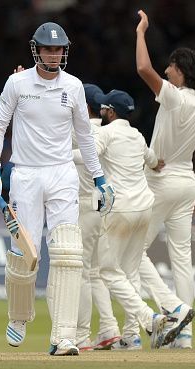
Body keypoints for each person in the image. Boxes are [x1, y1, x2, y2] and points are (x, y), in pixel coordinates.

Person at [0, 22, 115, 356]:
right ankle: (20, 315)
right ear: (36, 50)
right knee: (25, 251)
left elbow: (84, 135)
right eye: (47, 49)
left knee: (68, 253)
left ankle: (63, 335)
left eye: (58, 49)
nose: (53, 54)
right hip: (25, 174)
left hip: (63, 174)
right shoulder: (17, 82)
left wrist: (99, 178)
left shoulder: (75, 86)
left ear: (64, 51)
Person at [74, 89, 194, 349]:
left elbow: (87, 157)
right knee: (131, 270)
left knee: (108, 271)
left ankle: (149, 319)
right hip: (145, 208)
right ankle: (132, 335)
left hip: (121, 210)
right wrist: (155, 164)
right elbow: (153, 160)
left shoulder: (106, 133)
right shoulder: (137, 135)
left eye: (105, 110)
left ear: (110, 112)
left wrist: (58, 156)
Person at [136, 9, 195, 349]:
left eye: (171, 67)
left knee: (133, 251)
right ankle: (187, 335)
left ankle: (169, 311)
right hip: (186, 182)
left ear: (181, 72)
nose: (167, 71)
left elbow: (142, 69)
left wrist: (141, 32)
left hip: (160, 180)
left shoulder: (175, 96)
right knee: (182, 258)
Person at [75, 83, 122, 351]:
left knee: (82, 272)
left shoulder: (78, 132)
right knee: (94, 273)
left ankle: (81, 337)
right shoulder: (105, 132)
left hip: (83, 207)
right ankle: (108, 328)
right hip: (102, 207)